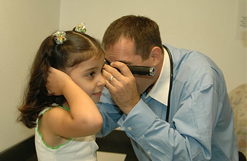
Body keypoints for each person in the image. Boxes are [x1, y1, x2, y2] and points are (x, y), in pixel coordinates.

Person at [97, 15, 239, 160]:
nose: (116, 76)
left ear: (155, 56)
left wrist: (132, 106)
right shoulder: (130, 73)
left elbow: (192, 156)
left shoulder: (199, 79)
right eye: (109, 65)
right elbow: (99, 123)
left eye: (124, 67)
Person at [18, 23, 105, 161]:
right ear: (58, 78)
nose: (102, 81)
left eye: (101, 71)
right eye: (91, 74)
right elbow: (92, 122)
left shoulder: (74, 112)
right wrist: (65, 84)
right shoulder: (52, 116)